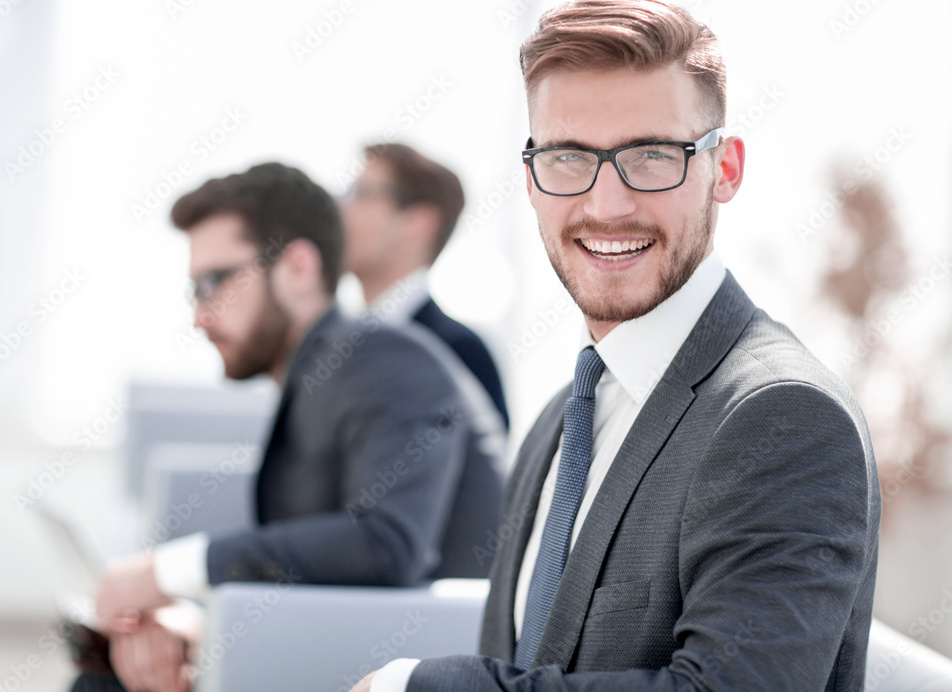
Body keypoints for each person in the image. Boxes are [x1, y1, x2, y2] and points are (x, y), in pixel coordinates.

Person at [357, 2, 881, 690]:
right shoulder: (560, 421)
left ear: (725, 169)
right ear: (531, 176)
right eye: (568, 157)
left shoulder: (784, 418)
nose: (607, 205)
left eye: (651, 156)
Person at [73, 162, 505, 692]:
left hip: (407, 670)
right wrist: (200, 626)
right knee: (112, 668)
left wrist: (164, 572)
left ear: (298, 267)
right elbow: (314, 573)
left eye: (216, 282)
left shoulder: (388, 361)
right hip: (336, 646)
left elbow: (386, 544)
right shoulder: (319, 377)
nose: (200, 316)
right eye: (195, 291)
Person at [341, 142, 510, 430]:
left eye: (362, 194)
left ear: (418, 225)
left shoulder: (455, 350)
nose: (342, 209)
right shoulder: (341, 343)